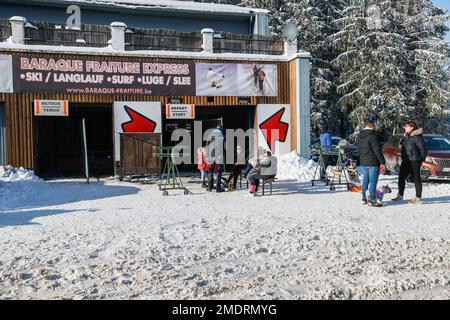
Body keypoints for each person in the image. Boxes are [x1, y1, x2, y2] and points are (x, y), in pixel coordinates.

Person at [392, 121, 427, 204]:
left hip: (415, 161)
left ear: (412, 127)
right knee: (401, 177)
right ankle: (400, 195)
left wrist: (420, 159)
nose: (405, 128)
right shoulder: (406, 136)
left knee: (416, 178)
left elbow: (423, 149)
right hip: (406, 160)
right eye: (404, 126)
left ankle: (418, 197)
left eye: (406, 126)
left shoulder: (417, 137)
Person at [356, 116, 386, 207]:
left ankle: (363, 198)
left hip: (363, 162)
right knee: (373, 182)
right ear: (372, 125)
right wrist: (382, 162)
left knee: (365, 181)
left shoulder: (359, 135)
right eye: (374, 124)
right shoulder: (372, 136)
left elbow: (358, 149)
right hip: (373, 162)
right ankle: (372, 199)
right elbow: (377, 150)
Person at [206, 124, 225, 193]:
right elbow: (224, 146)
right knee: (219, 172)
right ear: (221, 128)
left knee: (210, 170)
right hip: (219, 154)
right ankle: (218, 188)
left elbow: (207, 145)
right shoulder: (221, 135)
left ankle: (209, 187)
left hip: (211, 154)